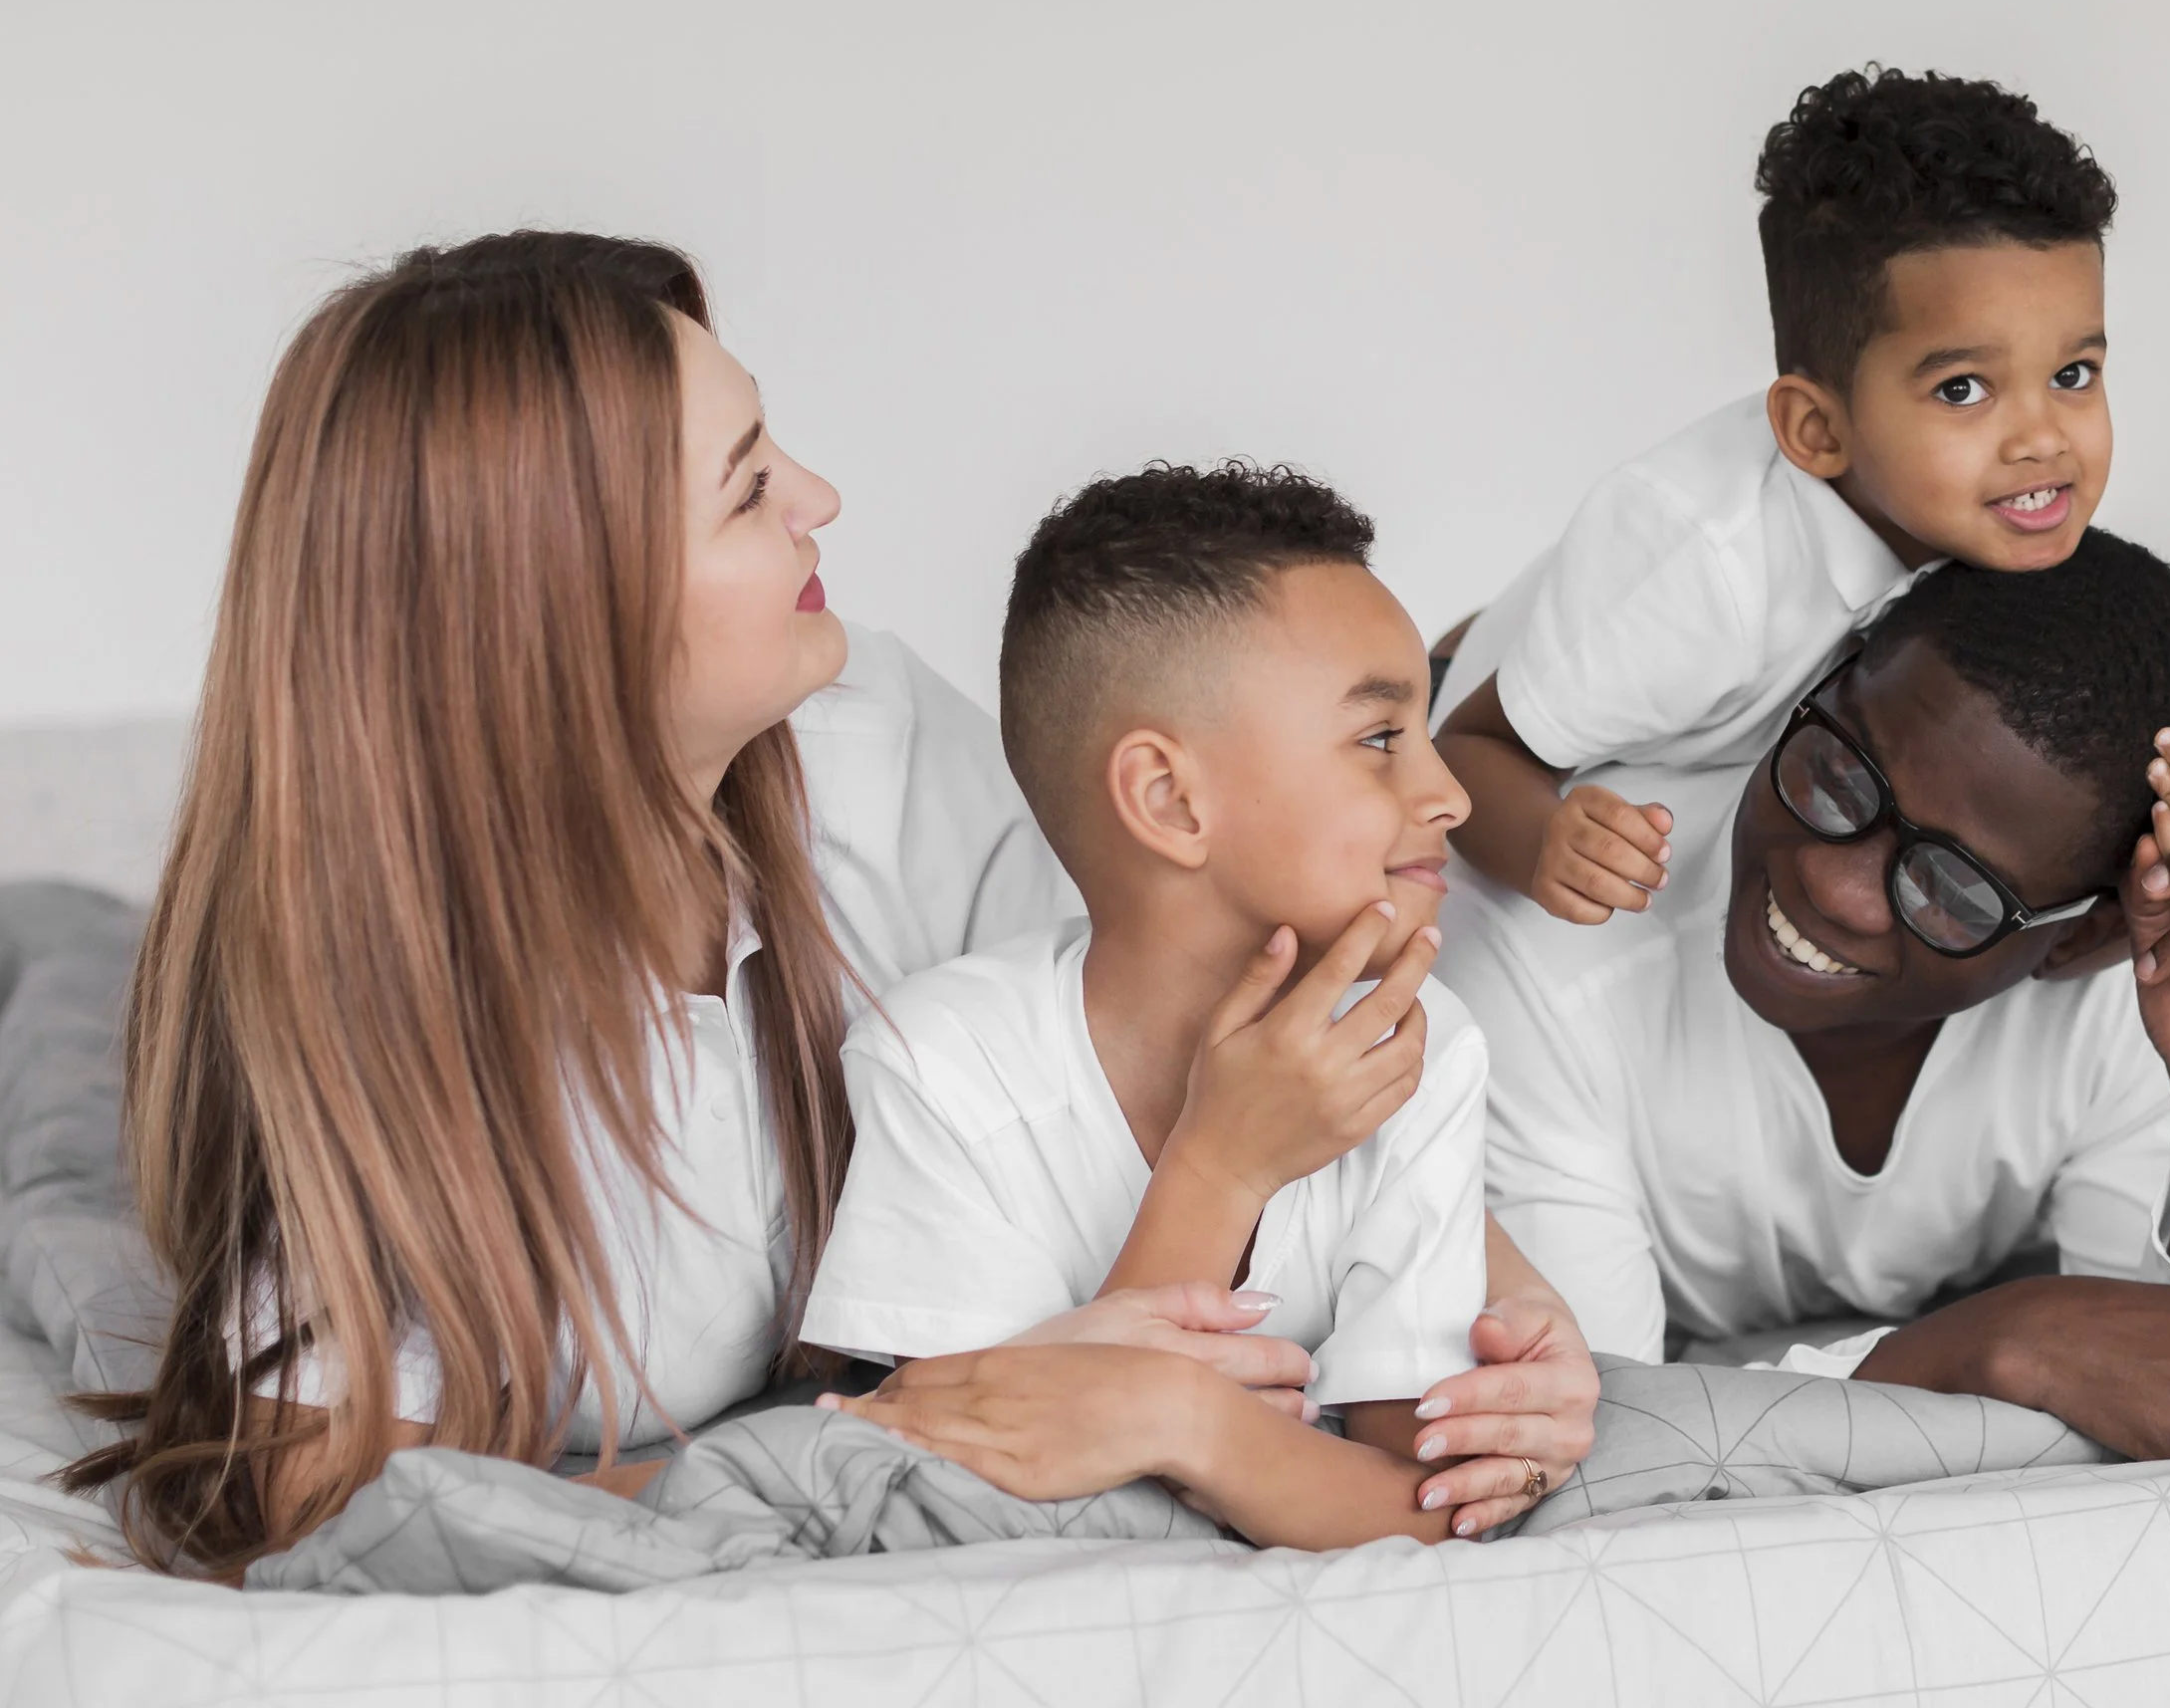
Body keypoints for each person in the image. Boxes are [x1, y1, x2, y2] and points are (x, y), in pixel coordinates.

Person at [65, 239, 1597, 1574]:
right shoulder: (396, 1017)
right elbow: (299, 1480)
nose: (821, 499)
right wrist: (867, 1436)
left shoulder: (868, 740)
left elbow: (1181, 998)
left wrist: (1509, 1327)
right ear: (562, 608)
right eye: (747, 492)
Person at [1435, 530, 2170, 1461]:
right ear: (1816, 689)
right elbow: (1593, 1444)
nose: (1831, 886)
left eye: (1953, 889)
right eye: (1837, 774)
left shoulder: (2143, 987)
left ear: (2084, 938)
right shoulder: (1549, 946)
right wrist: (1994, 1344)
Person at [811, 465, 1577, 1546]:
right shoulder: (940, 1063)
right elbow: (980, 1500)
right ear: (1170, 799)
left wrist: (1190, 1429)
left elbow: (1429, 1503)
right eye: (1378, 738)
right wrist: (1221, 1167)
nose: (1448, 793)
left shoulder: (1417, 1046)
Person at [1429, 66, 2170, 929]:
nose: (2043, 439)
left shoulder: (1994, 520)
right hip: (1484, 715)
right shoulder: (1703, 568)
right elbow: (1466, 746)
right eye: (1963, 391)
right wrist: (1543, 842)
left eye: (2072, 374)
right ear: (1818, 431)